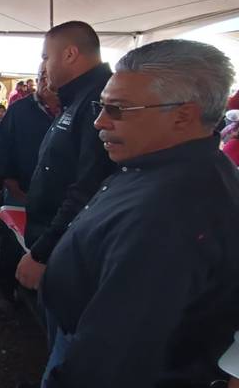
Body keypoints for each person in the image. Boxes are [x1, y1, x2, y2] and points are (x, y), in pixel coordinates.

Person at [40, 39, 239, 387]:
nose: (100, 122)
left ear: (183, 115)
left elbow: (118, 351)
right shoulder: (158, 165)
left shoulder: (175, 213)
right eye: (99, 107)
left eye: (118, 109)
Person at [15, 21, 115, 291]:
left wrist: (43, 251)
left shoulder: (99, 99)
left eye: (46, 57)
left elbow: (91, 185)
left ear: (70, 54)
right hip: (57, 241)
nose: (44, 67)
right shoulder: (77, 97)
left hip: (70, 249)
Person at [0, 64, 60, 299]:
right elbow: (1, 145)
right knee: (13, 239)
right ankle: (7, 286)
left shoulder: (72, 110)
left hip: (56, 195)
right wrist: (9, 180)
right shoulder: (20, 109)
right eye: (41, 75)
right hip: (21, 188)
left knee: (48, 239)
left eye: (48, 75)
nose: (44, 80)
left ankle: (39, 291)